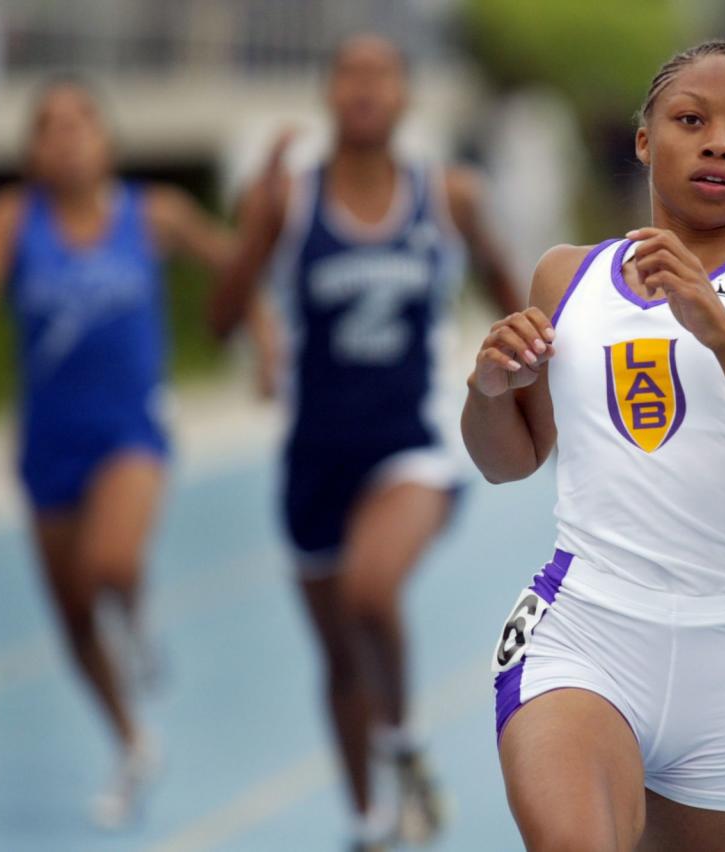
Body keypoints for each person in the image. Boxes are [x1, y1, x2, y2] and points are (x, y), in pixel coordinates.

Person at [461, 39, 725, 852]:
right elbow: (508, 460)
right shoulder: (565, 277)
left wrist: (723, 337)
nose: (719, 141)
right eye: (691, 120)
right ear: (646, 140)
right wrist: (484, 394)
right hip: (583, 633)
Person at [211, 33, 522, 852]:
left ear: (404, 97)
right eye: (348, 72)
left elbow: (511, 289)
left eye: (380, 74)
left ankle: (405, 745)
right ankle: (368, 822)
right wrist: (253, 227)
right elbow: (217, 321)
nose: (363, 88)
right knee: (341, 662)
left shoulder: (446, 194)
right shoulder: (289, 199)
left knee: (370, 594)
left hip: (410, 449)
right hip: (314, 460)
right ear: (327, 94)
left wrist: (531, 365)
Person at [0, 77, 235, 828]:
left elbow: (232, 260)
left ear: (105, 139)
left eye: (80, 123)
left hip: (131, 432)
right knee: (73, 618)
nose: (66, 137)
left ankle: (135, 616)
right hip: (48, 446)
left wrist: (261, 330)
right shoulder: (15, 219)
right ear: (33, 150)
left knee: (109, 564)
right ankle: (134, 742)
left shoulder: (152, 213)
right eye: (49, 127)